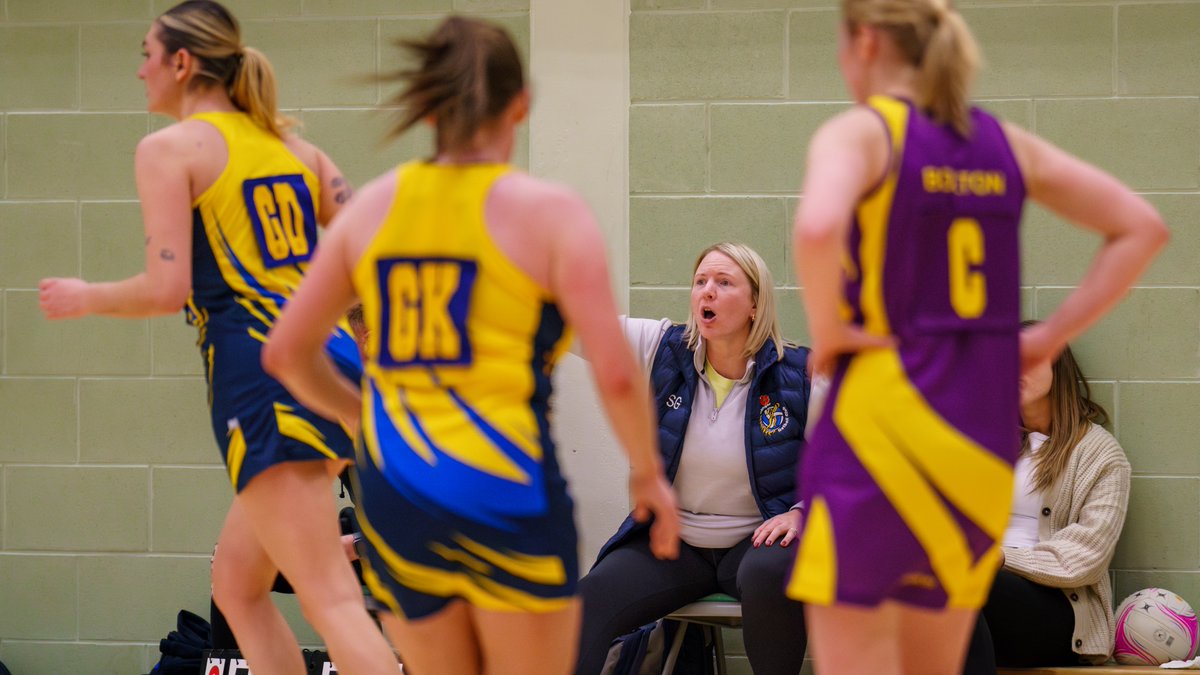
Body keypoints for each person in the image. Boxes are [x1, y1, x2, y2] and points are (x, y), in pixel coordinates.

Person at [261, 16, 680, 675]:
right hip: (506, 483)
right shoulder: (550, 212)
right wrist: (647, 471)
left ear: (428, 107)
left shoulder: (372, 209)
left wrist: (360, 415)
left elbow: (285, 353)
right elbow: (619, 373)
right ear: (522, 103)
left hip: (399, 492)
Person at [786, 0, 1169, 671]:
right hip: (974, 443)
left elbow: (817, 227)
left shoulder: (863, 132)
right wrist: (1050, 334)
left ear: (866, 41)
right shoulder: (1003, 142)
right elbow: (1141, 227)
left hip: (883, 427)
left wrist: (832, 329)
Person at [37, 2, 399, 673]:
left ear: (181, 62)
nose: (139, 68)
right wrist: (369, 350)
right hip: (334, 370)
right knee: (238, 586)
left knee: (330, 597)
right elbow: (366, 266)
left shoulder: (170, 149)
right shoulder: (300, 150)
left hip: (264, 374)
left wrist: (87, 296)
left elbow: (165, 288)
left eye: (147, 52)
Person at [574, 242, 811, 675]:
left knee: (771, 575)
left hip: (754, 542)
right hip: (676, 542)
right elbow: (579, 327)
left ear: (756, 303)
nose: (707, 292)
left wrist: (802, 512)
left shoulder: (798, 373)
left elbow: (849, 461)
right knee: (588, 601)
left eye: (723, 283)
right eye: (700, 282)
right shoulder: (661, 347)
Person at [961, 331, 1130, 672]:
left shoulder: (1100, 454)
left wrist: (1001, 557)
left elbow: (1087, 556)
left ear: (1059, 368)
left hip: (1058, 614)